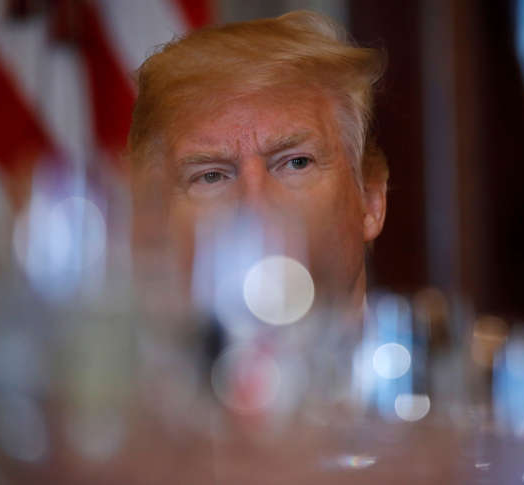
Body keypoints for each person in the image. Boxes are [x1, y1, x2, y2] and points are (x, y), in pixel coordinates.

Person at [128, 10, 388, 326]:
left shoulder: (449, 373)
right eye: (211, 176)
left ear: (371, 200)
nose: (256, 207)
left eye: (296, 163)